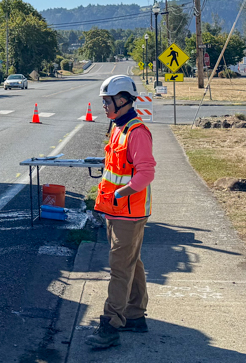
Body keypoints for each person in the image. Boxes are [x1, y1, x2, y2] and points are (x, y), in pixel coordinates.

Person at [86, 74, 157, 350]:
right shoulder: (118, 127)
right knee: (131, 262)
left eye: (108, 101)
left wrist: (121, 193)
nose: (104, 106)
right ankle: (135, 315)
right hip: (115, 211)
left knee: (119, 268)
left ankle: (110, 325)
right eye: (103, 101)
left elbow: (146, 172)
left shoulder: (137, 132)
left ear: (124, 100)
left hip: (129, 212)